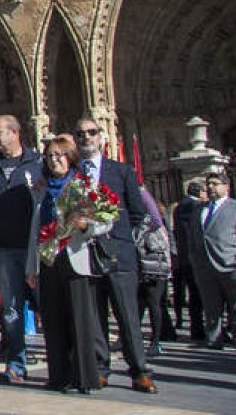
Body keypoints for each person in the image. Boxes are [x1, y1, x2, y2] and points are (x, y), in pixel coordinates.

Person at [74, 118, 156, 393]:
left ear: (101, 136)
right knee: (94, 315)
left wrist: (118, 237)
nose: (86, 137)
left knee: (127, 315)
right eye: (81, 134)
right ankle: (100, 368)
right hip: (85, 253)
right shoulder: (73, 173)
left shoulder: (121, 171)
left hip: (118, 253)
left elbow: (137, 212)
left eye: (91, 133)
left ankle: (139, 370)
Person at [24, 134, 105, 394]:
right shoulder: (42, 189)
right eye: (49, 156)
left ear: (70, 158)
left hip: (74, 258)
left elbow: (107, 219)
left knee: (79, 321)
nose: (54, 160)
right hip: (49, 259)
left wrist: (87, 225)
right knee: (53, 319)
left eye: (59, 155)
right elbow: (35, 229)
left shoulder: (83, 184)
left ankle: (83, 377)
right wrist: (30, 267)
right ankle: (58, 375)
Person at [0, 114, 43, 385]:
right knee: (11, 310)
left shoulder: (39, 163)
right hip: (4, 248)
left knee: (46, 306)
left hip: (36, 248)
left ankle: (65, 358)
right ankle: (16, 364)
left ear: (15, 132)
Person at [190, 172, 236, 349]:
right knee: (211, 305)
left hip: (229, 263)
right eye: (208, 184)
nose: (210, 187)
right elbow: (194, 236)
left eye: (215, 184)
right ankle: (214, 338)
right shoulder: (200, 209)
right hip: (205, 265)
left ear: (226, 187)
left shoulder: (233, 207)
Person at [135, 186, 172, 356]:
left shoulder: (142, 195)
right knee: (138, 304)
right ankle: (132, 339)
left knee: (153, 302)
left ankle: (155, 341)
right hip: (137, 260)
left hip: (151, 260)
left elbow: (156, 222)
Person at [173, 180, 205, 340]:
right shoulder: (197, 207)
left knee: (192, 294)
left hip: (183, 256)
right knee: (200, 294)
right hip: (197, 256)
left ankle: (195, 327)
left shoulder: (178, 208)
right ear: (199, 192)